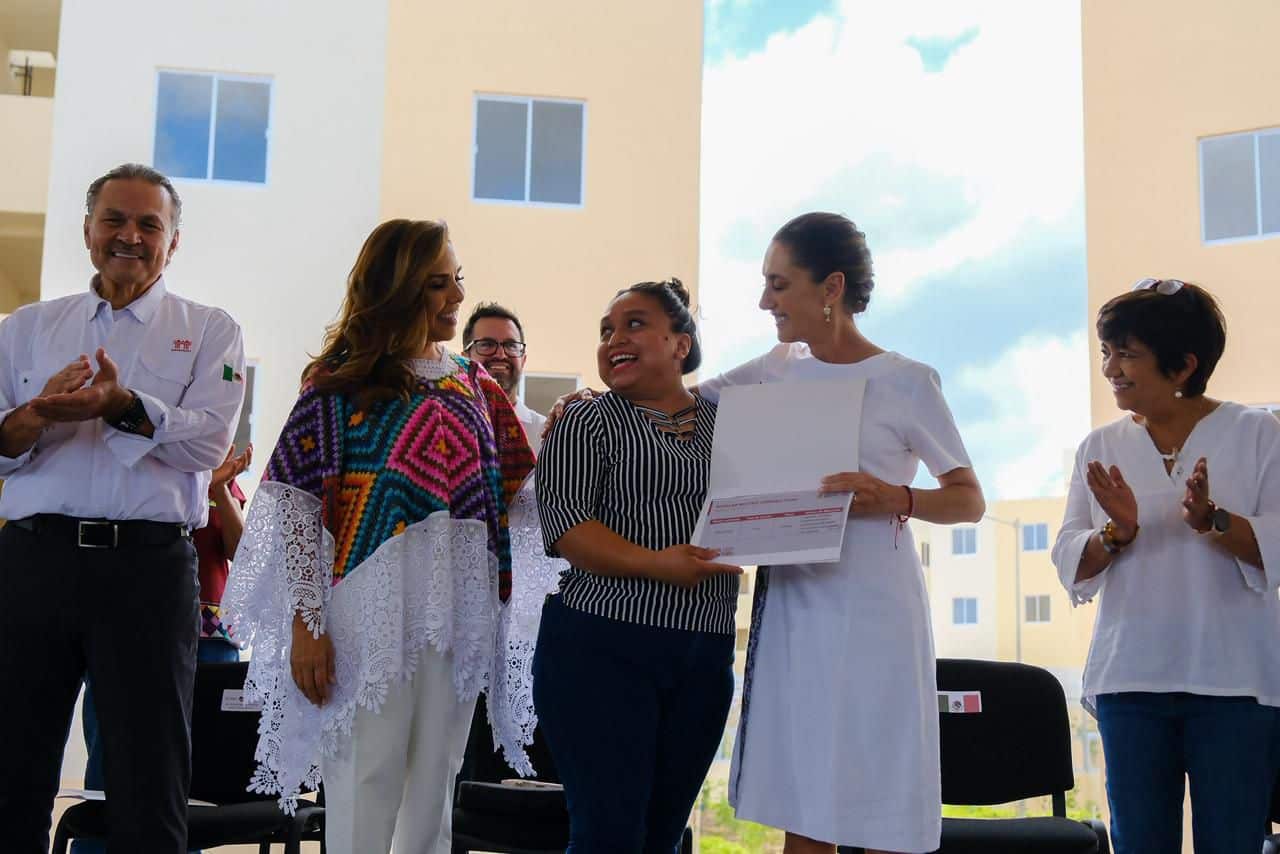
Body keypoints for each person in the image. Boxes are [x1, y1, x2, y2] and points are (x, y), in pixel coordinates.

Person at [222, 219, 537, 854]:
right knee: (365, 781)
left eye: (456, 280)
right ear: (397, 288)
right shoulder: (340, 383)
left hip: (458, 613)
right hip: (368, 610)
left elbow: (518, 493)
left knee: (435, 789)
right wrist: (307, 625)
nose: (456, 296)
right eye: (438, 284)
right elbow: (294, 504)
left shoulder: (477, 386)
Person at [702, 213, 984, 854]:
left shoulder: (907, 381)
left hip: (877, 608)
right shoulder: (774, 369)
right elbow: (681, 406)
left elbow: (969, 499)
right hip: (797, 606)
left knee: (879, 786)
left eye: (779, 284)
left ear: (831, 287)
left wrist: (898, 497)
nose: (765, 301)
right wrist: (592, 404)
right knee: (804, 794)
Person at [0, 163, 246, 853]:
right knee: (11, 767)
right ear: (87, 230)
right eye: (114, 220)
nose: (129, 236)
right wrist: (39, 412)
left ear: (173, 241)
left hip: (147, 570)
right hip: (33, 559)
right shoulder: (26, 328)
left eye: (148, 224)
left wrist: (123, 405)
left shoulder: (210, 331)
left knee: (148, 779)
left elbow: (208, 444)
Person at [1051, 278, 1280, 854]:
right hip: (1131, 680)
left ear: (1183, 365)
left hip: (1234, 681)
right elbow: (1070, 559)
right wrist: (1118, 532)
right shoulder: (1099, 446)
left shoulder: (1258, 433)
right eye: (1106, 352)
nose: (1111, 369)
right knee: (1138, 844)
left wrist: (1213, 520)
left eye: (1127, 354)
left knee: (1232, 842)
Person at [533, 278, 743, 852]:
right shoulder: (585, 420)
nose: (614, 340)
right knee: (609, 836)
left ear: (681, 343)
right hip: (600, 646)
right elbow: (568, 529)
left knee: (664, 838)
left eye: (634, 324)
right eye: (606, 331)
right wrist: (658, 564)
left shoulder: (732, 426)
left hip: (705, 651)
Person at [73, 442, 252, 854]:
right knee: (110, 750)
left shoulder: (218, 470)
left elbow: (240, 552)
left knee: (190, 764)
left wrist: (219, 487)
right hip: (126, 626)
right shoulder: (132, 464)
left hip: (208, 640)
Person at [462, 302, 547, 452]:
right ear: (465, 359)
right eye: (487, 344)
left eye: (511, 345)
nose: (501, 354)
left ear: (523, 360)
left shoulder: (545, 433)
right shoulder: (448, 426)